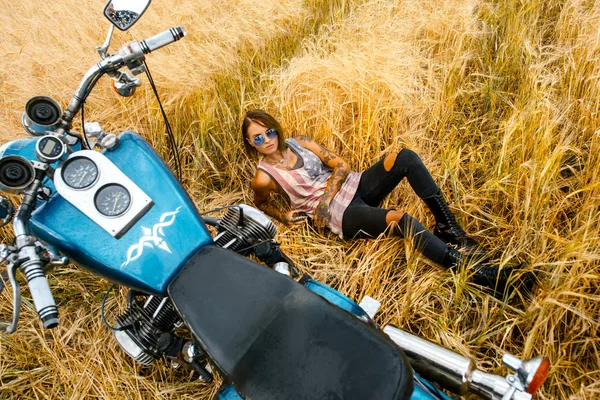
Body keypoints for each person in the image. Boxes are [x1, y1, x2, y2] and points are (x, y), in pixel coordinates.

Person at [241, 110, 536, 298]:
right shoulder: (263, 177)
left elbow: (341, 164)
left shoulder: (300, 142)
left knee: (405, 157)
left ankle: (450, 229)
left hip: (350, 186)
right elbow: (263, 204)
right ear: (250, 144)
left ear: (276, 129)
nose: (266, 139)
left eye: (269, 131)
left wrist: (325, 198)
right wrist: (287, 215)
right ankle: (481, 275)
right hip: (339, 216)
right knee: (400, 219)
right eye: (257, 138)